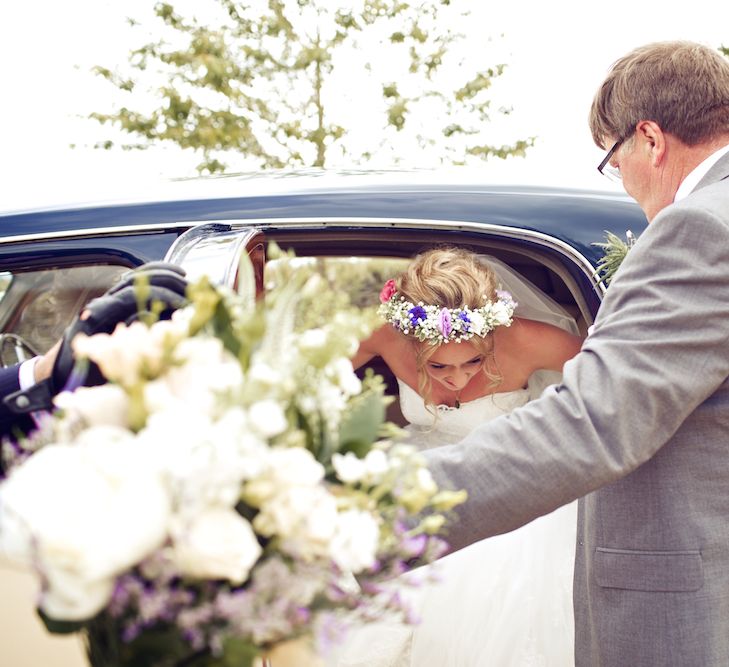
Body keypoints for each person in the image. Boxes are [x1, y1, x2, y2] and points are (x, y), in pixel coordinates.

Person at [418, 40, 729, 666]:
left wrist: (384, 514)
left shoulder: (699, 227)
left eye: (614, 161)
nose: (623, 181)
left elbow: (594, 419)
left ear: (650, 139)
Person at [329, 246, 583, 666]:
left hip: (506, 472)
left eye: (473, 361)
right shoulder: (385, 335)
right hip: (415, 467)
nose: (458, 379)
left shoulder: (528, 340)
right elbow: (310, 375)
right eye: (439, 367)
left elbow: (613, 381)